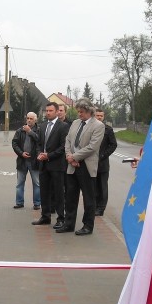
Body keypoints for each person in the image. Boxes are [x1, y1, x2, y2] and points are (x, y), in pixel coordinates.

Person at [56, 98, 104, 235]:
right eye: (78, 112)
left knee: (89, 198)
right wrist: (69, 156)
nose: (79, 114)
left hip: (86, 166)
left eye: (81, 112)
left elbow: (93, 147)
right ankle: (68, 224)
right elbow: (68, 140)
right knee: (70, 196)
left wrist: (75, 157)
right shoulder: (76, 123)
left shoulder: (98, 126)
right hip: (72, 165)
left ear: (89, 111)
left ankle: (87, 226)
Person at [33, 102, 68, 227]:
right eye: (46, 110)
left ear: (57, 111)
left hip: (57, 165)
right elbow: (38, 144)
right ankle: (45, 216)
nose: (48, 113)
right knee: (44, 192)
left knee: (58, 193)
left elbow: (63, 147)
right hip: (43, 165)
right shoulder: (42, 126)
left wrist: (49, 155)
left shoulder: (63, 126)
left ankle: (61, 218)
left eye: (50, 110)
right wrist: (39, 154)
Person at [11, 111, 41, 210]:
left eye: (31, 118)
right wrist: (21, 153)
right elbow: (14, 143)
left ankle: (37, 203)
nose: (28, 120)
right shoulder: (20, 130)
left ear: (35, 120)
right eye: (27, 118)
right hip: (22, 160)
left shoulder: (39, 130)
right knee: (20, 183)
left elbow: (40, 140)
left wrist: (30, 132)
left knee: (36, 183)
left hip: (34, 161)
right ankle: (19, 202)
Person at [94, 108, 117, 216]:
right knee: (93, 186)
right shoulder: (90, 128)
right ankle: (93, 206)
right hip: (90, 164)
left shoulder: (108, 130)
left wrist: (103, 155)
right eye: (97, 115)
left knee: (102, 187)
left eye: (101, 116)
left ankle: (101, 208)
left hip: (102, 164)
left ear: (103, 117)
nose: (99, 117)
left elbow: (113, 145)